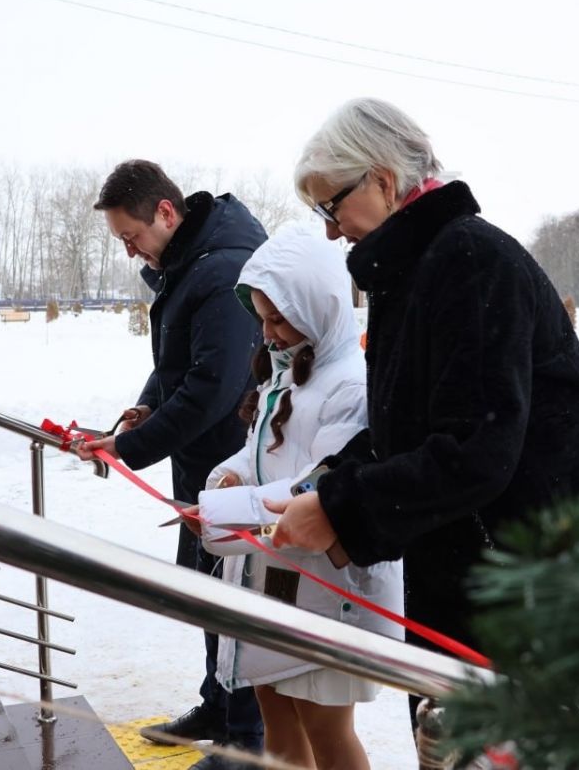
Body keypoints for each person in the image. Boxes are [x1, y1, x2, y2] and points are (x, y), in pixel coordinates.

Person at [265, 98, 579, 730]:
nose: (331, 230)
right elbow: (412, 427)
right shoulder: (417, 268)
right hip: (493, 577)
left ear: (382, 181)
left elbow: (476, 448)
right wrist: (330, 481)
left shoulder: (469, 261)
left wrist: (343, 508)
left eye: (330, 206)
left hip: (551, 590)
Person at [75, 160, 267, 766]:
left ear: (165, 211)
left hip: (234, 467)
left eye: (132, 236)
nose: (132, 251)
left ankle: (246, 739)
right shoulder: (189, 263)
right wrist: (145, 406)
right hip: (201, 464)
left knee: (238, 601)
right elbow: (177, 362)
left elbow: (214, 386)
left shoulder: (224, 268)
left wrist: (130, 447)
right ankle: (219, 703)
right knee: (207, 593)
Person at [189, 231, 402, 770]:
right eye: (261, 319)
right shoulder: (284, 377)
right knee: (279, 726)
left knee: (328, 735)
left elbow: (320, 487)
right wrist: (225, 483)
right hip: (273, 580)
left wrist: (231, 512)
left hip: (329, 593)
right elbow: (258, 455)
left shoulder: (349, 387)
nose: (268, 333)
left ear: (317, 307)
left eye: (279, 319)